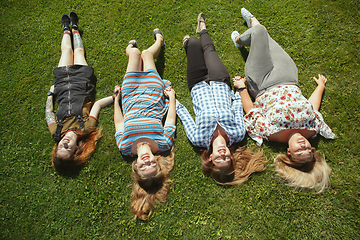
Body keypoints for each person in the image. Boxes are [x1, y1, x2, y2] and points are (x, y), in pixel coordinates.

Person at [231, 8, 335, 193]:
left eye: (299, 152)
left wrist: (240, 88)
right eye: (309, 151)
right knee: (265, 39)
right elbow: (312, 107)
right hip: (289, 77)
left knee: (260, 33)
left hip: (262, 82)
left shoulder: (271, 133)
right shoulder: (312, 129)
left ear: (289, 152)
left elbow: (251, 110)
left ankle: (240, 40)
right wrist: (320, 87)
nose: (304, 147)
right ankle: (253, 25)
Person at [176, 13, 266, 186]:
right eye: (227, 158)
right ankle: (203, 29)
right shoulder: (238, 134)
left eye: (219, 159)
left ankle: (189, 44)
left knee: (193, 43)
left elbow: (185, 117)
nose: (223, 154)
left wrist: (173, 100)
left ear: (211, 157)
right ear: (231, 156)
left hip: (197, 84)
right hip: (220, 82)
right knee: (209, 50)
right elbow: (237, 107)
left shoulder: (199, 139)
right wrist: (239, 88)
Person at [113, 29, 176, 220]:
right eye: (152, 166)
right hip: (153, 91)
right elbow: (171, 118)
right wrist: (171, 98)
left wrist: (117, 100)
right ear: (157, 163)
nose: (147, 161)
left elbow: (119, 122)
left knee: (133, 52)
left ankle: (131, 49)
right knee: (147, 54)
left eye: (143, 166)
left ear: (136, 166)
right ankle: (160, 40)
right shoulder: (164, 144)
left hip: (130, 93)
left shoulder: (125, 147)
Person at [46, 12, 113, 172]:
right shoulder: (86, 129)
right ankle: (74, 28)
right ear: (76, 149)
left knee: (67, 51)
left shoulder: (56, 131)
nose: (65, 143)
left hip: (62, 85)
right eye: (68, 148)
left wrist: (50, 95)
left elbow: (49, 113)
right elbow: (96, 105)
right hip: (82, 83)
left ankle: (65, 30)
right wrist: (114, 97)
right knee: (79, 53)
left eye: (61, 146)